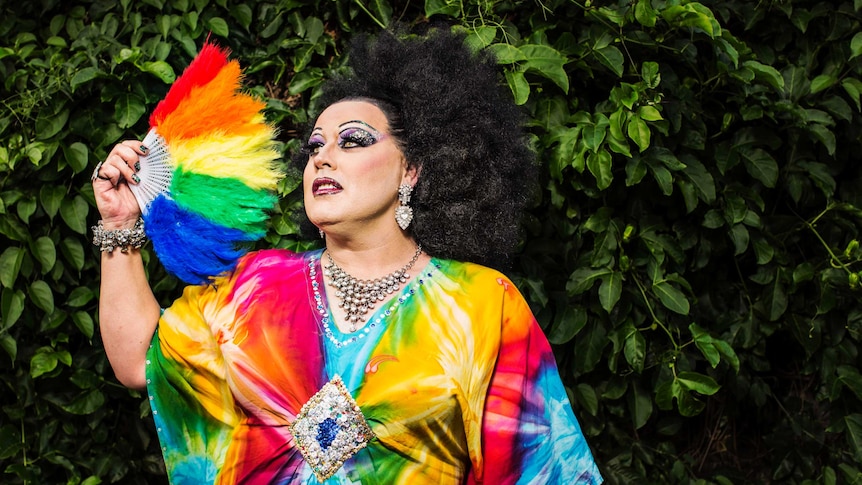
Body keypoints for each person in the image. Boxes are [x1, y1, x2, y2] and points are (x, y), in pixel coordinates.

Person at [93, 26, 602, 484]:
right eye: (315, 146)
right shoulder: (256, 285)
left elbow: (545, 473)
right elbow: (138, 360)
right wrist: (119, 224)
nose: (323, 157)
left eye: (353, 140)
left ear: (412, 171)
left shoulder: (482, 305)